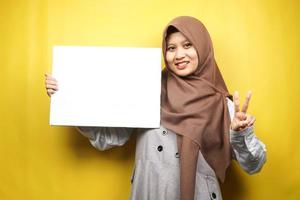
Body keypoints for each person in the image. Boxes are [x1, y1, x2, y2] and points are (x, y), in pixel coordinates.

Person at [45, 16, 266, 200]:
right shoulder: (147, 91)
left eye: (188, 45)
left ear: (203, 47)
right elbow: (109, 138)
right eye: (171, 48)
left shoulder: (223, 106)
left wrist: (240, 134)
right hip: (149, 193)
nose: (179, 55)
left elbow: (254, 166)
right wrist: (69, 97)